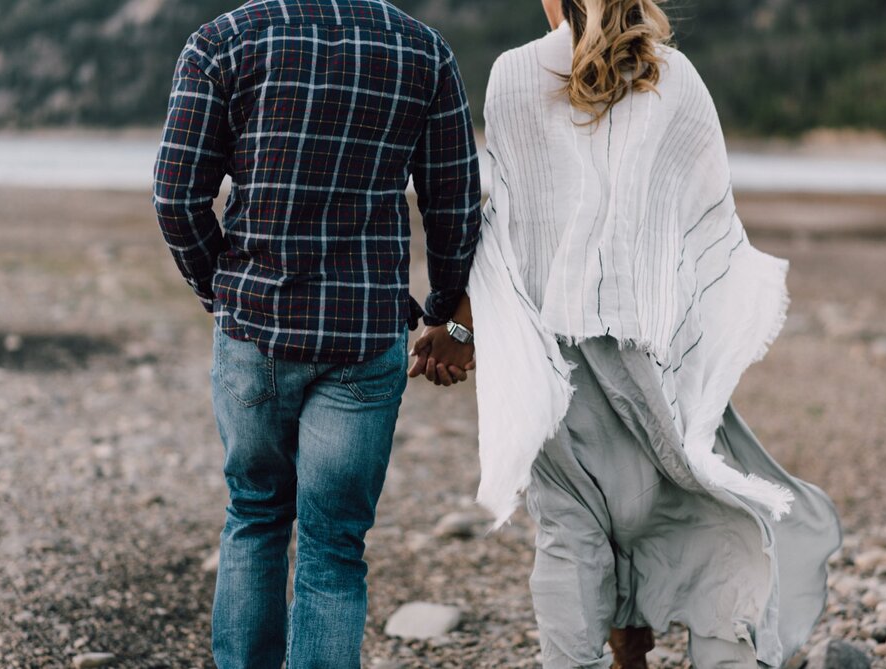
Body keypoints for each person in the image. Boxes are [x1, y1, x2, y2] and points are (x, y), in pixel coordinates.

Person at [412, 0, 843, 667]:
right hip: (655, 348)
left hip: (549, 355)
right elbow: (707, 224)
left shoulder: (515, 73)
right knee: (689, 500)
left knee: (570, 525)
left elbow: (506, 230)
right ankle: (714, 652)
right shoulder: (677, 79)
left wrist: (460, 332)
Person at [152, 1, 481, 666]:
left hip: (256, 328)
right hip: (364, 336)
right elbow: (452, 201)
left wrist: (218, 289)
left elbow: (175, 196)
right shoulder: (422, 50)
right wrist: (449, 316)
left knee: (255, 516)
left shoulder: (224, 41)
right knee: (334, 547)